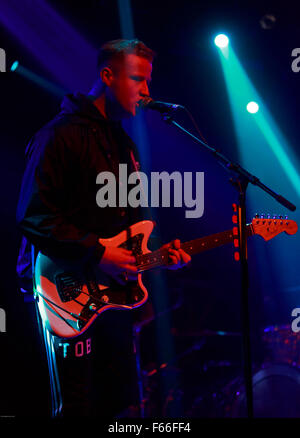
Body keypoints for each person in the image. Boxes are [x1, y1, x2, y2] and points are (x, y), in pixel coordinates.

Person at [16, 39, 191, 417]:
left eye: (147, 82)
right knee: (76, 406)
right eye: (137, 80)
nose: (147, 92)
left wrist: (161, 253)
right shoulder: (57, 136)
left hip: (111, 297)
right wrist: (99, 252)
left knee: (122, 403)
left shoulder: (124, 145)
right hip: (62, 292)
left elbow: (126, 224)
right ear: (107, 76)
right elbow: (33, 216)